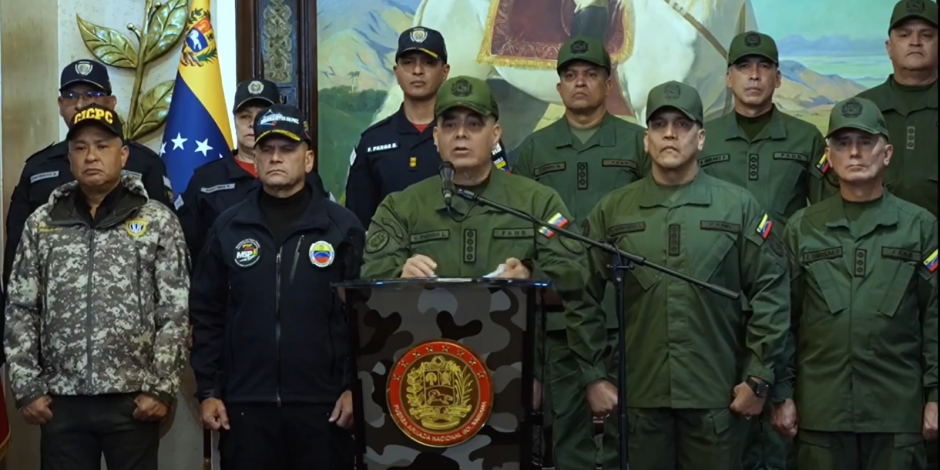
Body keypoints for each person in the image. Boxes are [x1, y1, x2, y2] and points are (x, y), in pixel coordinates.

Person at [360, 75, 616, 430]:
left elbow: (576, 278)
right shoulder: (401, 207)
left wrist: (530, 276)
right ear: (436, 137)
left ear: (495, 134)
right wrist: (398, 277)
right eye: (449, 125)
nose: (460, 134)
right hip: (427, 384)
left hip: (516, 380)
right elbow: (367, 284)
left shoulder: (535, 202)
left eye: (474, 124)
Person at [581, 81, 790, 470]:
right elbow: (581, 294)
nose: (671, 134)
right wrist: (594, 376)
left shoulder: (737, 206)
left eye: (682, 124)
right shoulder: (615, 210)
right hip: (638, 400)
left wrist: (758, 379)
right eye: (659, 125)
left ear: (701, 137)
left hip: (718, 399)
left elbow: (771, 293)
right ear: (647, 140)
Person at [3, 104, 190, 470]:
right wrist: (27, 386)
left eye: (102, 146)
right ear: (68, 157)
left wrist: (160, 388)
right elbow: (21, 307)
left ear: (123, 155)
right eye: (80, 147)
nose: (91, 156)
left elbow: (175, 312)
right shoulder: (43, 222)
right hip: (61, 402)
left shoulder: (157, 221)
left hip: (133, 400)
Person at [190, 104, 363, 470]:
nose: (275, 157)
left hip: (325, 408)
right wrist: (208, 391)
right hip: (245, 408)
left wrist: (354, 388)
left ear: (309, 158)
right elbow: (207, 315)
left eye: (287, 149)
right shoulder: (228, 228)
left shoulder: (342, 228)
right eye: (266, 149)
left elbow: (363, 319)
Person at [772, 97, 938, 469]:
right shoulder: (803, 227)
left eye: (866, 142)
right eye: (843, 143)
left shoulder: (920, 226)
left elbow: (935, 317)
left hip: (897, 413)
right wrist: (782, 393)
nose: (855, 153)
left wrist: (936, 396)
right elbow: (783, 317)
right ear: (828, 155)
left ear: (888, 152)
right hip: (821, 413)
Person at [512, 35, 646, 470]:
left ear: (609, 83)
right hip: (560, 319)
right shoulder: (535, 149)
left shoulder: (637, 143)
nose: (581, 83)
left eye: (591, 74)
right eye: (570, 76)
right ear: (559, 88)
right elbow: (522, 235)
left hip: (628, 314)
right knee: (569, 437)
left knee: (636, 437)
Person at [700, 30, 827, 470]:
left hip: (788, 291)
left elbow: (823, 217)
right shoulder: (704, 138)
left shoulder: (807, 137)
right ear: (728, 78)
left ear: (778, 78)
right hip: (717, 289)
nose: (754, 76)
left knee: (782, 413)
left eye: (764, 67)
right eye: (743, 67)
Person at [2, 60, 174, 362]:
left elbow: (170, 260)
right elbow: (17, 255)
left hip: (131, 354)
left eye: (92, 95)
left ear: (111, 101)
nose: (80, 104)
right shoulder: (38, 167)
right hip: (57, 349)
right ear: (59, 105)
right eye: (71, 96)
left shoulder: (144, 164)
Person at [345, 27, 509, 227]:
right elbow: (358, 222)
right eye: (408, 63)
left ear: (444, 72)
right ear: (396, 72)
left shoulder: (470, 135)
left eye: (428, 63)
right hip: (395, 254)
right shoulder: (373, 141)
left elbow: (504, 199)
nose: (417, 71)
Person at [177, 78, 329, 260]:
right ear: (234, 121)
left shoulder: (305, 177)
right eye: (244, 117)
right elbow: (186, 247)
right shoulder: (206, 179)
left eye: (261, 115)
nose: (252, 123)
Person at [855, 0, 937, 217]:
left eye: (926, 35)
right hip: (875, 240)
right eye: (904, 35)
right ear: (888, 47)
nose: (915, 42)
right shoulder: (862, 109)